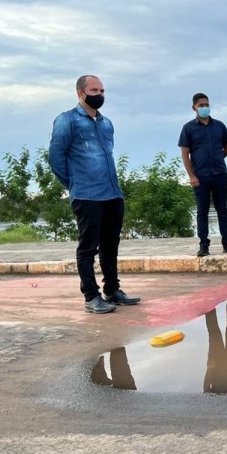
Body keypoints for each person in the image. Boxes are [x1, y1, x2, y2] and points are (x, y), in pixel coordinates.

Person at [49, 75, 140, 314]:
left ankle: (112, 290)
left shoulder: (106, 123)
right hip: (87, 196)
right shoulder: (67, 120)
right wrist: (74, 184)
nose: (99, 95)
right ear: (81, 93)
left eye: (102, 91)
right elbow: (56, 158)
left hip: (112, 193)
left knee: (110, 246)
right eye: (94, 90)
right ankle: (91, 296)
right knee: (88, 248)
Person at [178, 93, 227, 258]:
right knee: (202, 211)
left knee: (222, 210)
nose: (204, 107)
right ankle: (204, 245)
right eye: (201, 105)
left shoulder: (219, 126)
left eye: (206, 104)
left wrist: (216, 158)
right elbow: (185, 154)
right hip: (200, 176)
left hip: (219, 174)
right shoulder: (188, 128)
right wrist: (191, 175)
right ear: (194, 108)